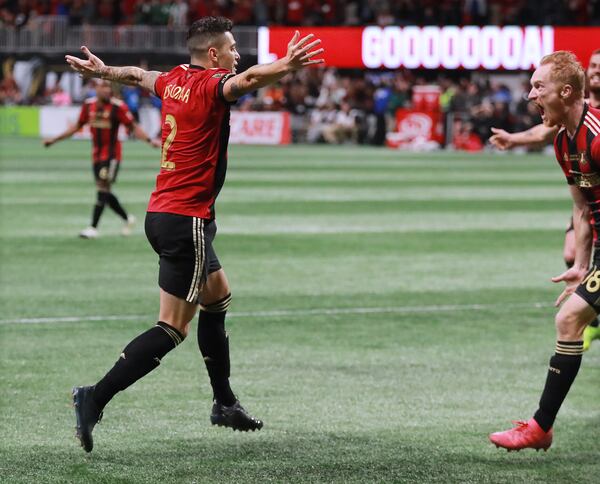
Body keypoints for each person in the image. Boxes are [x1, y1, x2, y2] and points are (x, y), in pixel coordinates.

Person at [65, 16, 324, 452]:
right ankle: (94, 396)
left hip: (163, 211)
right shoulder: (210, 85)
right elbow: (249, 80)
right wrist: (287, 65)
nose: (237, 56)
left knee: (218, 294)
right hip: (188, 221)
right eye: (232, 48)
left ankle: (224, 403)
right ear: (213, 54)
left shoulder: (174, 81)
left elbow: (137, 75)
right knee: (172, 327)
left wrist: (103, 71)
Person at [489, 51, 598, 451]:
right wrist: (583, 265)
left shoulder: (598, 136)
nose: (530, 96)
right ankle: (541, 427)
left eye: (539, 87)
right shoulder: (564, 142)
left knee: (571, 321)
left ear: (565, 92)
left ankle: (540, 427)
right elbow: (583, 207)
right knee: (570, 321)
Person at [44, 80, 160, 239]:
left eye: (108, 86)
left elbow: (133, 127)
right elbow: (76, 126)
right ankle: (127, 218)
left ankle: (93, 227)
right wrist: (54, 140)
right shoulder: (88, 106)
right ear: (96, 88)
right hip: (96, 156)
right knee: (104, 191)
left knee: (102, 188)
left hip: (112, 156)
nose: (106, 90)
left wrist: (149, 140)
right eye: (103, 86)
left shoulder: (118, 107)